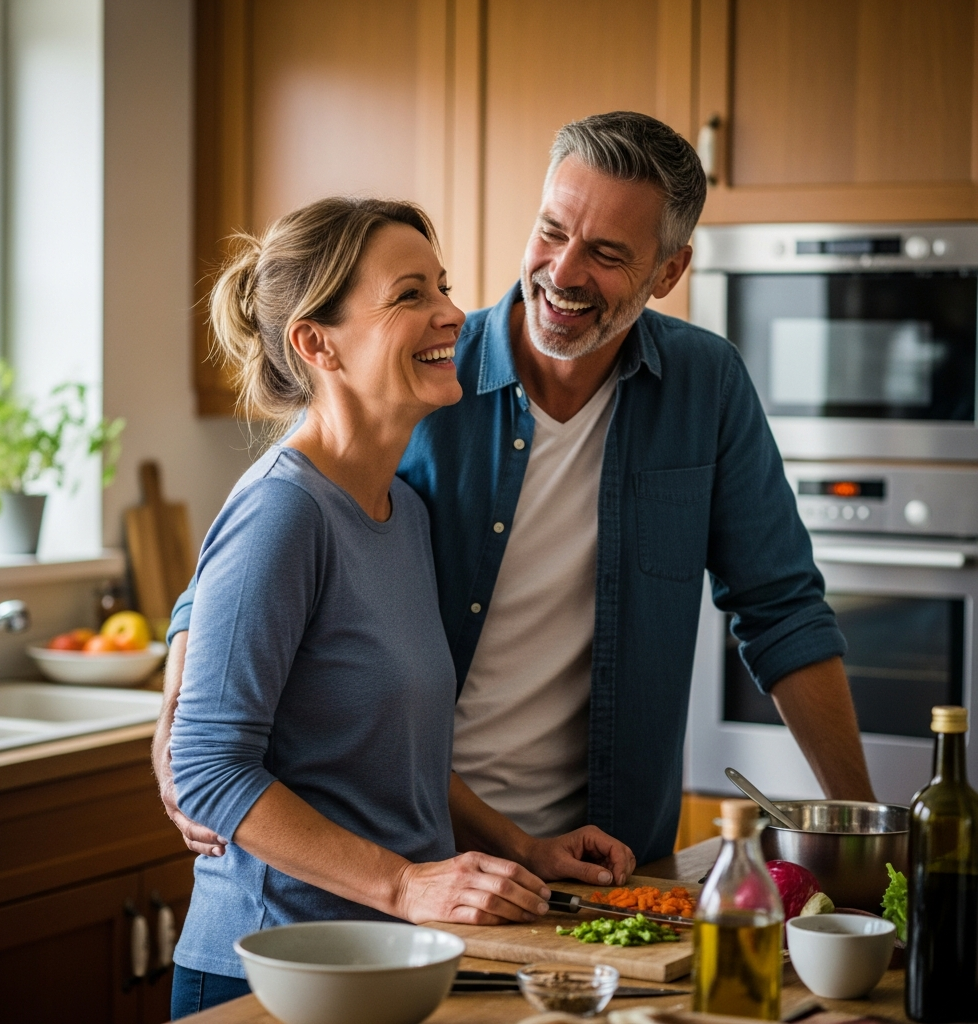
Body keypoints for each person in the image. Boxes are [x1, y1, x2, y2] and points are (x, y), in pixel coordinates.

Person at [156, 110, 874, 880]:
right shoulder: (423, 373)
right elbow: (270, 527)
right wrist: (184, 726)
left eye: (606, 253)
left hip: (596, 863)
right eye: (552, 231)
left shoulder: (705, 387)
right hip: (416, 857)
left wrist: (870, 841)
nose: (563, 273)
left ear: (668, 272)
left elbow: (782, 609)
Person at [166, 197, 636, 1018]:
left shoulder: (403, 511)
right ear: (318, 344)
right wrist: (405, 885)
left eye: (442, 286)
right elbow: (207, 768)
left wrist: (521, 847)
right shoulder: (284, 511)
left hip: (391, 957)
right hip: (276, 970)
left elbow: (392, 759)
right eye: (410, 294)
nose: (453, 313)